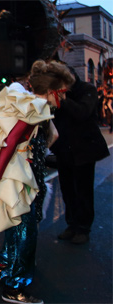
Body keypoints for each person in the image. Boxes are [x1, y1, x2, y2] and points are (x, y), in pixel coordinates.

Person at [0, 60, 74, 304]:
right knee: (26, 230)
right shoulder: (34, 106)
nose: (64, 98)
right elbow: (11, 140)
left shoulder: (29, 103)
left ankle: (7, 270)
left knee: (18, 226)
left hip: (20, 171)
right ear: (52, 90)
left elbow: (13, 138)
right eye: (63, 92)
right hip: (18, 174)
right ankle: (15, 288)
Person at [51, 62, 110, 244]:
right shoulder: (58, 92)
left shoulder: (87, 89)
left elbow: (82, 112)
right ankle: (72, 224)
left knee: (83, 190)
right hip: (64, 150)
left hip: (84, 149)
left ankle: (83, 227)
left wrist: (62, 100)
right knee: (68, 190)